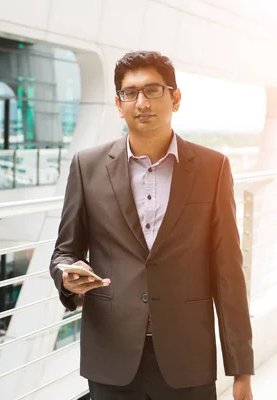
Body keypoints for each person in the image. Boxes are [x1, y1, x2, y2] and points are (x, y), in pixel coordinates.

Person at [49, 50, 254, 399]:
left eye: (153, 90)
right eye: (131, 93)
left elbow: (228, 273)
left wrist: (241, 370)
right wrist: (67, 275)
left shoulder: (212, 168)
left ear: (175, 98)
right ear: (118, 104)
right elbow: (64, 251)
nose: (142, 102)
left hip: (187, 357)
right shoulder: (87, 166)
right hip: (111, 356)